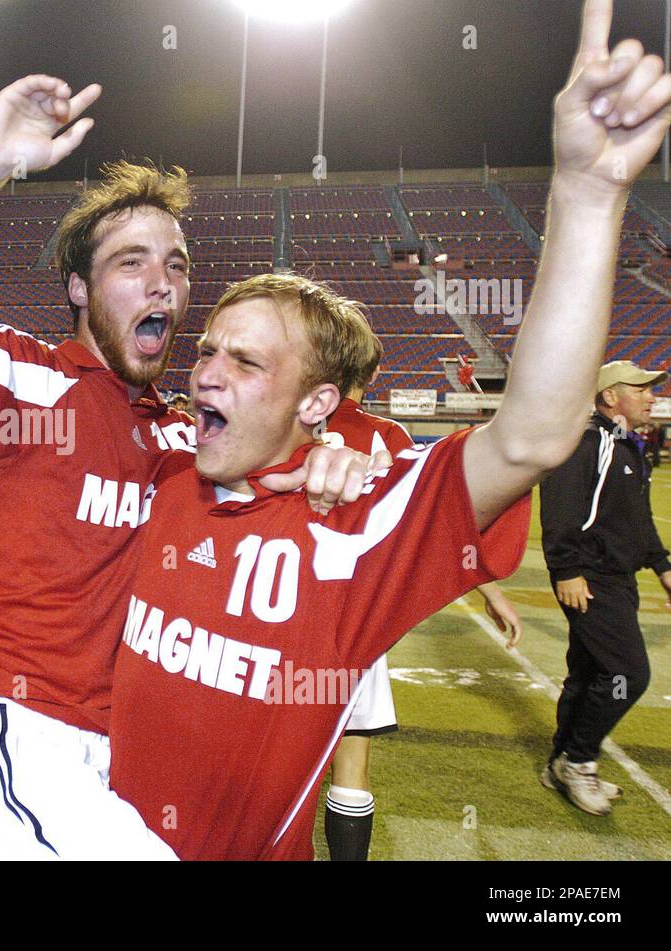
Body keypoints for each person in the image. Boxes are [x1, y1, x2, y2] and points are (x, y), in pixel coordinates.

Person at [107, 1, 671, 858]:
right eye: (211, 348)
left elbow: (530, 435)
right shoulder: (152, 467)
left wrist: (587, 196)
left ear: (317, 404)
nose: (208, 371)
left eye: (249, 362)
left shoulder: (350, 532)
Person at [0, 75, 372, 857]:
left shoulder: (182, 438)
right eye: (131, 262)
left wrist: (328, 460)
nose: (163, 280)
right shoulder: (26, 384)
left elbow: (279, 483)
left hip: (130, 742)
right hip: (21, 727)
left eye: (177, 264)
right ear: (78, 289)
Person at [315, 358, 523, 860]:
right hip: (354, 615)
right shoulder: (384, 433)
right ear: (373, 374)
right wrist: (490, 590)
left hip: (277, 608)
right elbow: (434, 519)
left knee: (269, 756)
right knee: (352, 762)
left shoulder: (287, 418)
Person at [539, 359, 669, 815]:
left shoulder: (626, 445)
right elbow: (561, 504)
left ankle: (560, 759)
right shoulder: (588, 441)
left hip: (617, 578)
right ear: (610, 396)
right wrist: (565, 568)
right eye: (641, 388)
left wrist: (662, 564)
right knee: (626, 676)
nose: (653, 395)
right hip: (591, 580)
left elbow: (637, 519)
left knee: (590, 674)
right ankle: (580, 760)